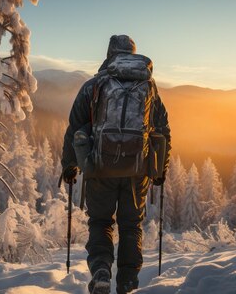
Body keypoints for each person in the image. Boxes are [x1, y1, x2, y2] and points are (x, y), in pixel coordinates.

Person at [61, 35, 171, 294]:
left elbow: (75, 127)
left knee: (100, 223)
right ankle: (128, 283)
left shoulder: (94, 85)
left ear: (110, 53)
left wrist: (70, 165)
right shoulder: (149, 87)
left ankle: (101, 271)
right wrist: (159, 170)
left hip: (100, 169)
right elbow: (163, 130)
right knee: (131, 226)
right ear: (132, 54)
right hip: (137, 170)